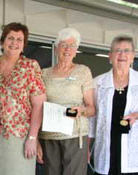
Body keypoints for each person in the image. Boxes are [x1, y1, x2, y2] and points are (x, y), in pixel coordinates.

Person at [89, 35, 138, 175]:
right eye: (117, 50)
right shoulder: (98, 82)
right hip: (106, 153)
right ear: (110, 56)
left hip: (136, 156)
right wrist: (86, 148)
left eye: (126, 50)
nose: (122, 54)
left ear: (133, 56)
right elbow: (92, 119)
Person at [37, 28, 95, 175]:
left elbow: (92, 109)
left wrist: (81, 110)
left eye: (72, 46)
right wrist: (36, 139)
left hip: (75, 136)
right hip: (48, 136)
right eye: (63, 45)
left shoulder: (83, 71)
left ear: (76, 51)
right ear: (56, 49)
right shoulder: (43, 74)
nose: (68, 49)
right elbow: (36, 107)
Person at [0, 22, 46, 175]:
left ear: (24, 45)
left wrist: (33, 138)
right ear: (2, 42)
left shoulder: (30, 66)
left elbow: (38, 105)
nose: (14, 43)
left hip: (21, 137)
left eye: (19, 40)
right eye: (10, 38)